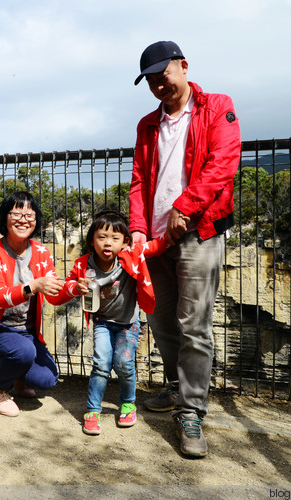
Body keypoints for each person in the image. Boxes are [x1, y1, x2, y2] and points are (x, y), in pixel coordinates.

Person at [129, 41, 241, 457]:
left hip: (199, 230)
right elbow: (140, 180)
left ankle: (192, 411)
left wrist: (184, 208)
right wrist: (139, 229)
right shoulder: (146, 125)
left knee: (194, 323)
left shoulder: (216, 107)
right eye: (152, 80)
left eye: (165, 74)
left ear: (184, 67)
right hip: (156, 237)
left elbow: (223, 163)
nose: (160, 84)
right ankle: (178, 388)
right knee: (160, 318)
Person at [61, 210, 159, 435]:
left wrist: (171, 237)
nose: (108, 243)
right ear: (91, 241)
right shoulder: (83, 266)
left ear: (125, 242)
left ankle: (128, 403)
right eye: (102, 237)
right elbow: (65, 289)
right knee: (101, 363)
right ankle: (93, 410)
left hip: (129, 323)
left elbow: (153, 247)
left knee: (124, 364)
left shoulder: (129, 258)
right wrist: (76, 287)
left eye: (115, 238)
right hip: (103, 322)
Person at [0, 191, 65, 417]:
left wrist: (75, 288)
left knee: (47, 378)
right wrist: (33, 286)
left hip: (26, 332)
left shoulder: (41, 252)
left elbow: (54, 294)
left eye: (29, 214)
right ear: (5, 218)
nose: (23, 219)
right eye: (16, 213)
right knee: (22, 351)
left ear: (36, 220)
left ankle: (19, 379)